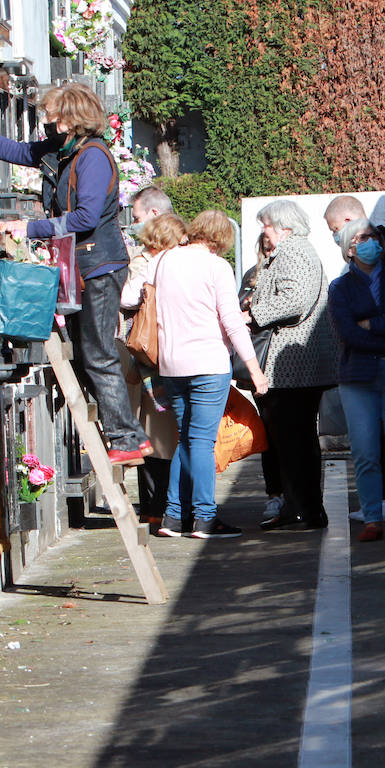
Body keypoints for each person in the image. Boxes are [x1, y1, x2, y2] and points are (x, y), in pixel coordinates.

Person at [0, 82, 149, 466]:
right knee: (87, 354)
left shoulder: (92, 157)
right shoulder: (66, 151)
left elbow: (87, 217)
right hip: (84, 265)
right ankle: (129, 434)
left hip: (100, 265)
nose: (46, 124)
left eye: (52, 117)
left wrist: (29, 228)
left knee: (98, 353)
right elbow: (19, 152)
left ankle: (126, 437)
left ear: (71, 119)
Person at [122, 210, 268, 538]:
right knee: (202, 441)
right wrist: (256, 370)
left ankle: (173, 517)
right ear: (221, 240)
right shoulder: (217, 267)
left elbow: (127, 297)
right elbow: (232, 321)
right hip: (208, 365)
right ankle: (205, 517)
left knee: (185, 439)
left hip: (171, 367)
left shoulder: (162, 261)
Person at [327, 218, 385, 542]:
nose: (370, 243)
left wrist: (373, 325)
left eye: (373, 237)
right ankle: (372, 517)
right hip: (358, 376)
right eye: (362, 238)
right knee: (365, 450)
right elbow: (349, 334)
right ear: (349, 249)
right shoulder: (340, 287)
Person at [250, 199, 339, 531]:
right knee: (293, 440)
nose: (264, 230)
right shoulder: (297, 251)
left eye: (267, 225)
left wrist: (253, 314)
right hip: (296, 367)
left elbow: (294, 298)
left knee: (293, 440)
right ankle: (299, 507)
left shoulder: (294, 251)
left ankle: (307, 509)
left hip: (293, 367)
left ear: (285, 227)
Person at [122, 212, 187, 526]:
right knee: (159, 432)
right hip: (153, 355)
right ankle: (157, 506)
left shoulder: (150, 262)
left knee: (162, 432)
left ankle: (158, 506)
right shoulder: (146, 263)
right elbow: (127, 298)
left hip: (160, 354)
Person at [240, 232, 284, 524]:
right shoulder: (252, 275)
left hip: (288, 361)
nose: (270, 250)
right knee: (270, 432)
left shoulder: (292, 272)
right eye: (266, 246)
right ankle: (275, 494)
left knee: (289, 432)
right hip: (262, 362)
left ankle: (290, 493)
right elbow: (240, 311)